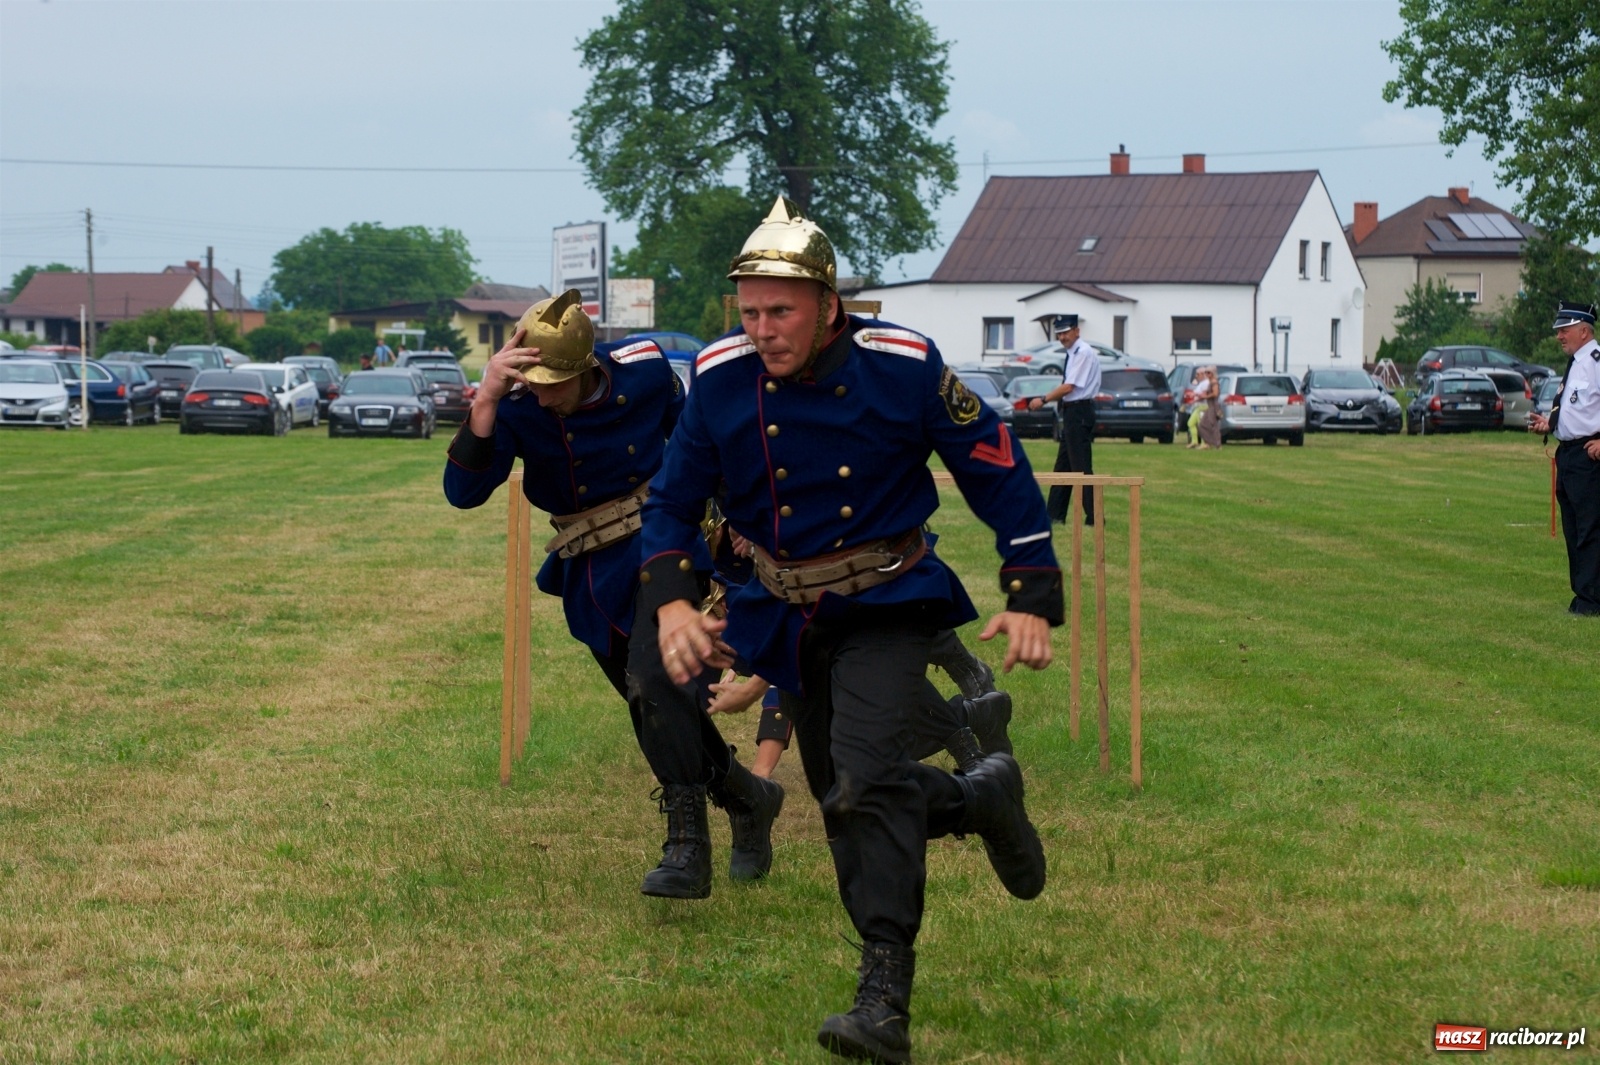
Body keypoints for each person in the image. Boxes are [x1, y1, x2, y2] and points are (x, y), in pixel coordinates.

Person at [632, 196, 1061, 1063]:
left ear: (828, 302)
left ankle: (883, 1001)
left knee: (866, 787)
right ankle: (983, 795)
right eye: (750, 311)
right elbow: (674, 500)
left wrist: (1029, 589)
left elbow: (994, 462)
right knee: (848, 800)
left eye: (780, 311)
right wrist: (676, 601)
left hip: (888, 605)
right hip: (784, 617)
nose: (764, 330)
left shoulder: (899, 364)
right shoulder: (716, 377)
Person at [441, 289, 784, 897]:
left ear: (588, 367)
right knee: (655, 706)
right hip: (593, 572)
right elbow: (463, 493)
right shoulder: (518, 407)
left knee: (657, 684)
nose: (545, 395)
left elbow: (701, 440)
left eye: (556, 384)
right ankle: (750, 798)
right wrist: (487, 397)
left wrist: (737, 534)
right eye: (534, 383)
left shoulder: (648, 367)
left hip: (664, 546)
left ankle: (686, 846)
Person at [1528, 300, 1600, 616]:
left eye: (1565, 329)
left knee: (1590, 530)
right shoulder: (1576, 363)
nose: (1559, 335)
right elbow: (1577, 409)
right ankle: (1583, 595)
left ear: (1584, 331)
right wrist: (1550, 424)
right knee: (1573, 530)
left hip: (1590, 457)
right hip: (1568, 455)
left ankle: (1592, 600)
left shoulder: (1596, 362)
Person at [1028, 314, 1101, 525]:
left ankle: (1095, 516)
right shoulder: (1074, 353)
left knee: (1081, 466)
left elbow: (1070, 386)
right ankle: (1054, 515)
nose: (1062, 337)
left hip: (1079, 411)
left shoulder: (1083, 353)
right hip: (1072, 412)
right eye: (1059, 333)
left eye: (1066, 332)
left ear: (1077, 331)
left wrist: (1043, 399)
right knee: (1063, 465)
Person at [1186, 366, 1222, 450]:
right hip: (1206, 406)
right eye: (1206, 372)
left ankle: (1210, 444)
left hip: (1209, 406)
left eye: (1208, 372)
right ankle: (1203, 443)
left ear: (1213, 373)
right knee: (1201, 425)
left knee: (1211, 426)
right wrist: (1196, 398)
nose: (1206, 374)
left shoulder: (1212, 382)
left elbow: (1215, 394)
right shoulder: (1208, 382)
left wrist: (1203, 396)